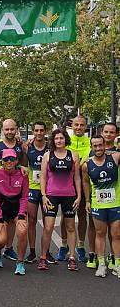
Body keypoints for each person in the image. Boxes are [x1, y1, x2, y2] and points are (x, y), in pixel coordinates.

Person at [38, 129, 81, 271]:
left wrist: (79, 196)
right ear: (53, 140)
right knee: (48, 227)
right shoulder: (47, 156)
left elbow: (77, 178)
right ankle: (43, 257)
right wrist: (43, 195)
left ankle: (72, 257)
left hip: (69, 195)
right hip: (51, 196)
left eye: (61, 138)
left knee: (70, 227)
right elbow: (43, 177)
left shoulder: (73, 155)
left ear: (65, 139)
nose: (59, 141)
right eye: (56, 138)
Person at [0, 118, 28, 261]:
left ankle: (9, 248)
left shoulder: (20, 145)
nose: (9, 132)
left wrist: (23, 167)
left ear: (16, 129)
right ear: (2, 129)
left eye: (12, 129)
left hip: (14, 190)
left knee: (12, 222)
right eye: (7, 129)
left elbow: (23, 166)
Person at [82, 136, 120, 278]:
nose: (98, 148)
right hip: (98, 204)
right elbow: (85, 182)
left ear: (105, 145)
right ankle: (102, 264)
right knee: (100, 234)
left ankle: (117, 264)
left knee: (116, 235)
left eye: (100, 145)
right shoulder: (87, 165)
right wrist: (87, 200)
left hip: (116, 204)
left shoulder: (115, 158)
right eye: (95, 146)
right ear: (91, 147)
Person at [57, 115, 91, 262]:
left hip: (84, 185)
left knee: (83, 215)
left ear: (85, 127)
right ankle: (64, 245)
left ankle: (81, 245)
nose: (78, 127)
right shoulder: (66, 142)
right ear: (71, 126)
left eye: (81, 125)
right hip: (67, 186)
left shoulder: (91, 143)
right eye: (76, 125)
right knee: (66, 216)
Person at [0, 149, 29, 275]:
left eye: (12, 159)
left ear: (16, 161)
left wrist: (22, 214)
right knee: (1, 240)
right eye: (6, 159)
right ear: (1, 161)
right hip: (3, 210)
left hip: (17, 209)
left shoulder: (23, 174)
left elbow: (24, 197)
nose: (9, 161)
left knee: (23, 231)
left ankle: (20, 262)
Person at [22, 122, 50, 263]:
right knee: (31, 220)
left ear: (45, 131)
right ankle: (32, 252)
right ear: (33, 132)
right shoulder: (28, 147)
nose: (39, 133)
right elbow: (23, 165)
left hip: (48, 188)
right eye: (36, 130)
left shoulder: (51, 147)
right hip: (32, 188)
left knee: (48, 222)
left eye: (41, 130)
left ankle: (47, 251)